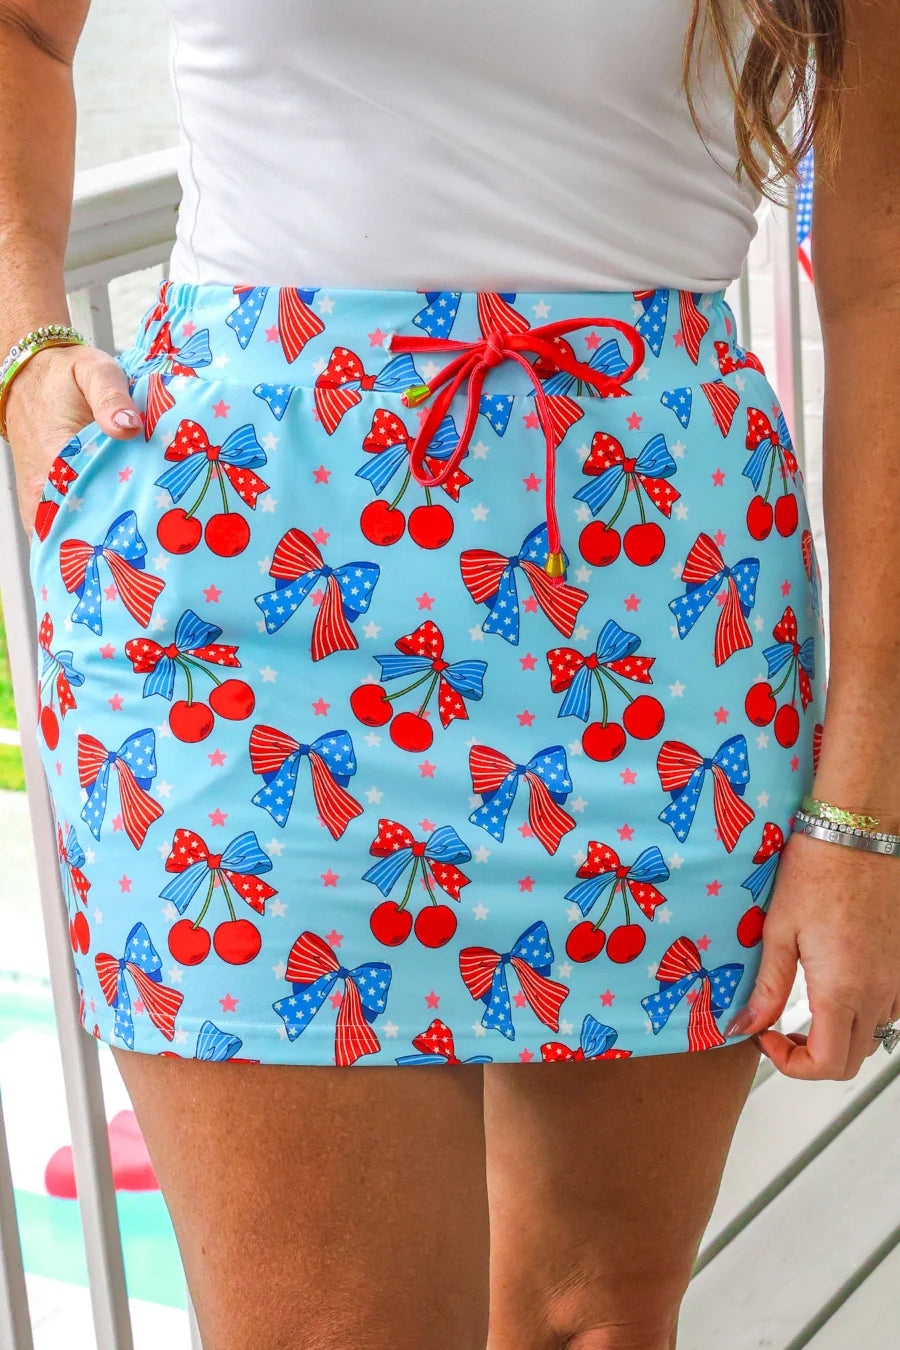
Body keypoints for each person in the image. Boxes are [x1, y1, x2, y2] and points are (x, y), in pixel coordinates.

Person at [2, 1, 898, 1346]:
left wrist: (865, 810)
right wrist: (23, 340)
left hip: (663, 611)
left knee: (594, 1319)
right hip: (249, 607)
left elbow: (884, 273)